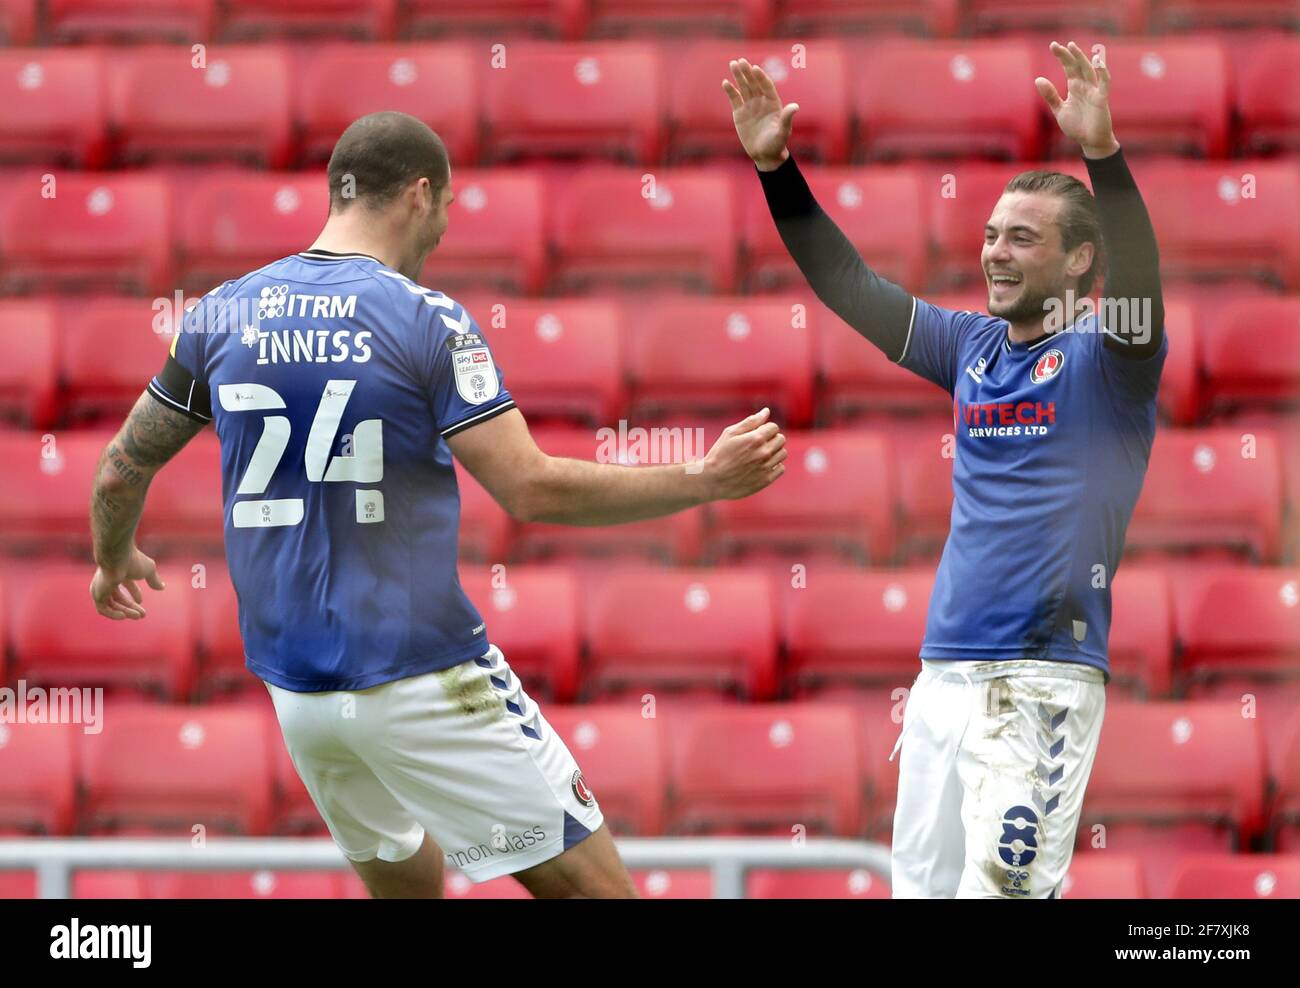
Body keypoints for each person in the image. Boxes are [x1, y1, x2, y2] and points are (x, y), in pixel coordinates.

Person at [89, 110, 788, 899]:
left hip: (300, 694)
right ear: (420, 193)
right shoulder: (428, 320)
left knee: (408, 888)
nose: (446, 229)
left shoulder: (220, 312)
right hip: (420, 673)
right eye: (448, 206)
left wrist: (114, 554)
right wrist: (704, 479)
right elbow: (530, 486)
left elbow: (120, 472)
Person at [725, 42, 1166, 898]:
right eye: (992, 234)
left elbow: (1144, 280)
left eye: (1023, 239)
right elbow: (847, 283)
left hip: (1040, 679)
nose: (996, 253)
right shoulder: (969, 346)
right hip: (942, 676)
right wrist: (777, 169)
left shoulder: (1111, 357)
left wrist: (1104, 155)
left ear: (1078, 262)